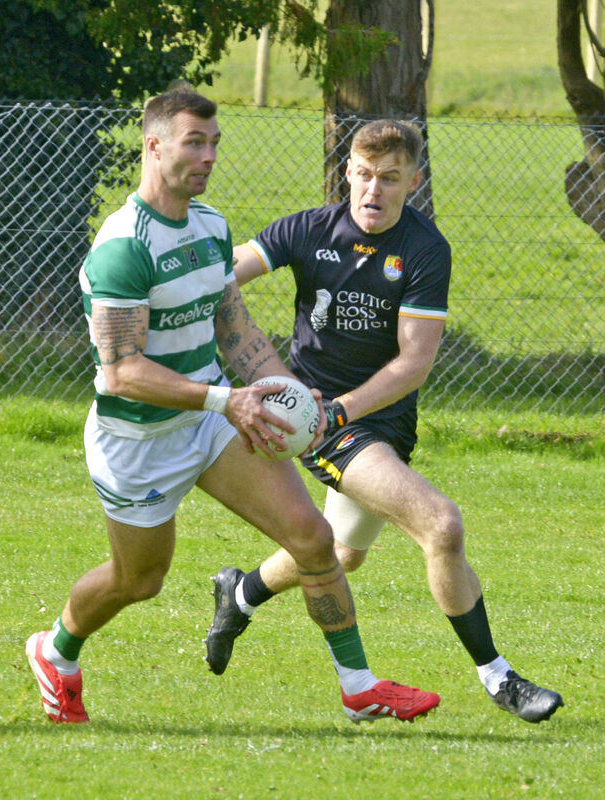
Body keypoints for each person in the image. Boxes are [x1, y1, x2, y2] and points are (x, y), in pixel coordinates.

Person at [25, 90, 440, 725]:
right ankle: (56, 650)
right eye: (194, 142)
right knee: (139, 581)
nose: (209, 156)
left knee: (313, 538)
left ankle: (359, 687)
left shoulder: (210, 227)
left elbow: (235, 330)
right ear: (154, 146)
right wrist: (228, 399)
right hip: (138, 441)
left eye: (214, 143)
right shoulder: (123, 247)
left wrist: (292, 397)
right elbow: (123, 373)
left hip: (212, 421)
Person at [204, 118, 564, 724]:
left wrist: (345, 408)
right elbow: (217, 279)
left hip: (374, 420)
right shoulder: (306, 230)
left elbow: (413, 363)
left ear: (413, 181)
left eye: (390, 178)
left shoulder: (424, 249)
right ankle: (499, 678)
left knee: (341, 552)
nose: (374, 190)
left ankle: (238, 593)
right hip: (322, 421)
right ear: (347, 172)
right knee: (441, 525)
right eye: (365, 175)